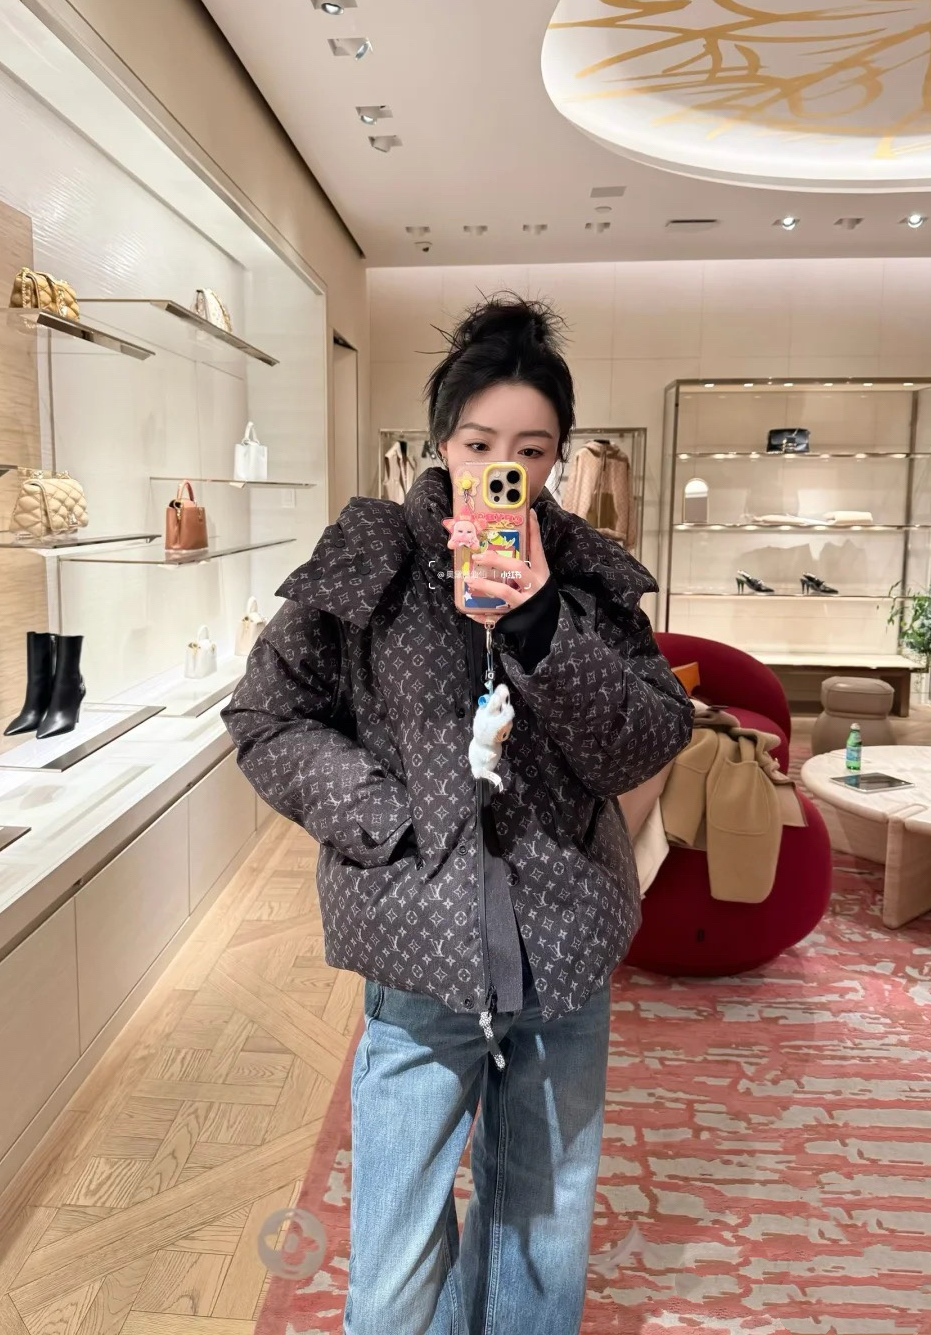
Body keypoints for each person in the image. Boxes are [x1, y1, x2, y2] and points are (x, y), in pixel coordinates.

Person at [222, 294, 693, 1335]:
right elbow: (264, 714)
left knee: (541, 1231)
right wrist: (391, 820)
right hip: (420, 952)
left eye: (531, 450)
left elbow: (647, 739)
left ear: (559, 457)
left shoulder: (586, 577)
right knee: (393, 1262)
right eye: (480, 443)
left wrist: (542, 624)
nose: (501, 469)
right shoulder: (371, 559)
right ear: (442, 441)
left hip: (562, 952)